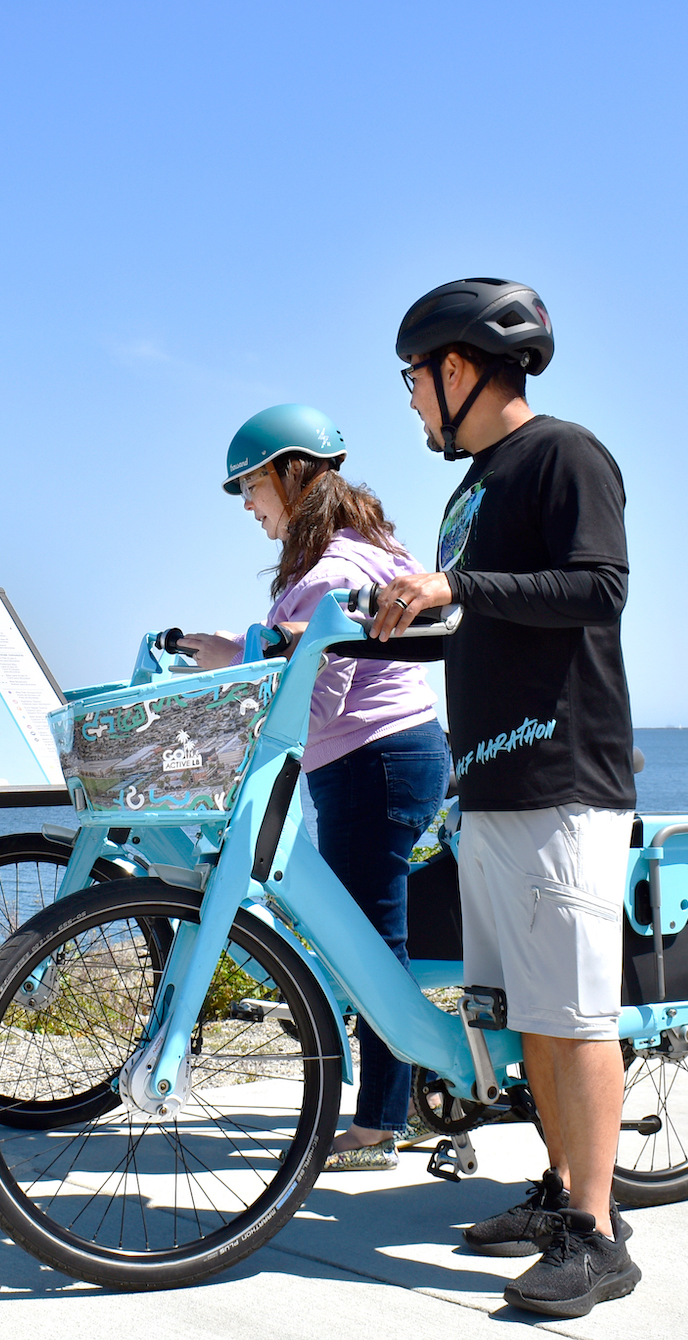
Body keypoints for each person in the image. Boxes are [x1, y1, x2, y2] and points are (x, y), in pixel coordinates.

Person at [350, 278, 641, 1318]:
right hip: (490, 777)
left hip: (563, 773)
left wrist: (459, 589)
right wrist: (393, 619)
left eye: (415, 383)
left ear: (458, 368)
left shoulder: (564, 453)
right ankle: (563, 1190)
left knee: (572, 1014)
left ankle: (597, 1238)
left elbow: (597, 587)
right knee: (526, 1018)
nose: (413, 404)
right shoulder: (469, 488)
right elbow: (475, 613)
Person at [177, 404, 451, 1171]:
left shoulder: (326, 573)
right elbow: (319, 655)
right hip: (401, 752)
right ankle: (422, 1088)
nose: (247, 507)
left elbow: (315, 691)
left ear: (285, 474)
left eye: (248, 488)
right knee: (374, 928)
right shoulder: (365, 548)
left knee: (369, 944)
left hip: (369, 762)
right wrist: (235, 648)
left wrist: (236, 701)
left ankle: (379, 1125)